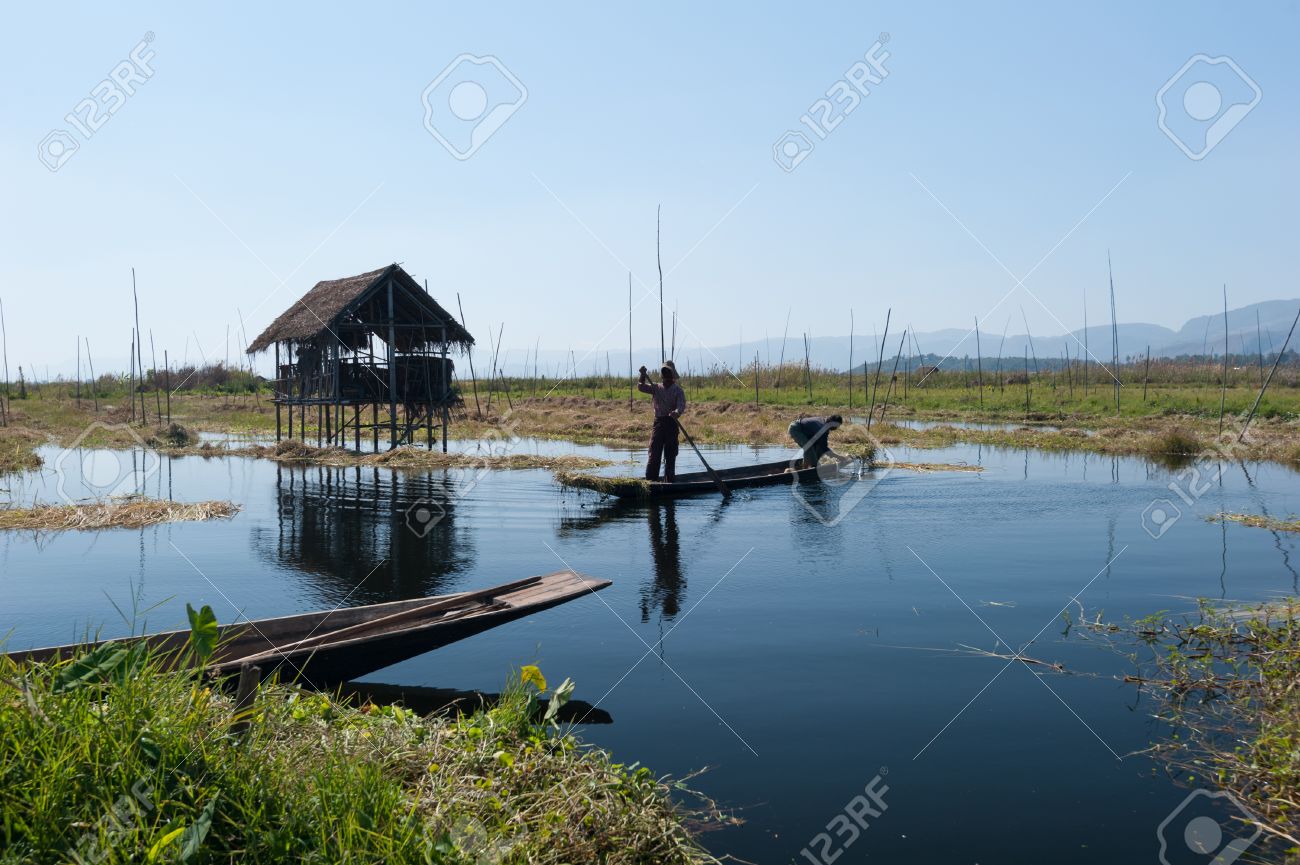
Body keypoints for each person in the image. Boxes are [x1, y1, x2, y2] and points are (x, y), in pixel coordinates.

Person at [638, 362, 686, 482]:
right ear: (662, 375)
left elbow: (681, 405)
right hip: (659, 424)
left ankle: (669, 481)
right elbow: (641, 387)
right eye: (664, 373)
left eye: (668, 373)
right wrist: (642, 375)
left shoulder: (678, 390)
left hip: (671, 423)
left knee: (670, 454)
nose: (666, 376)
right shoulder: (656, 388)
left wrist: (676, 412)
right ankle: (650, 481)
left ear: (673, 375)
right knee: (654, 454)